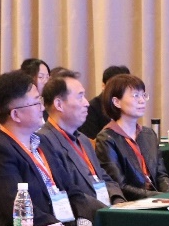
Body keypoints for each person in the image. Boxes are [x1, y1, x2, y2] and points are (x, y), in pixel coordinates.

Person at [0, 70, 100, 226]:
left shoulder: (42, 141)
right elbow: (22, 214)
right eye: (36, 102)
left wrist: (84, 225)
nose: (42, 108)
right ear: (16, 115)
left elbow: (72, 189)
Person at [38, 71, 124, 207]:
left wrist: (118, 200)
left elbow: (102, 176)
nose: (87, 103)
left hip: (106, 209)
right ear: (59, 104)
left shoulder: (83, 139)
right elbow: (67, 190)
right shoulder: (44, 141)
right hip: (83, 214)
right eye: (80, 97)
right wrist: (105, 209)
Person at [94, 74, 169, 200]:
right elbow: (119, 186)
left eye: (143, 95)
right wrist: (160, 197)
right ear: (116, 102)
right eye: (135, 95)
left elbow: (161, 175)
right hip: (130, 203)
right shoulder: (107, 138)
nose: (142, 100)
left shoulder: (148, 134)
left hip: (155, 199)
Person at [80, 64, 130, 139]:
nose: (119, 90)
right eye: (115, 86)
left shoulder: (127, 106)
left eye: (124, 87)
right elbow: (91, 140)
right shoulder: (91, 108)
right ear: (104, 86)